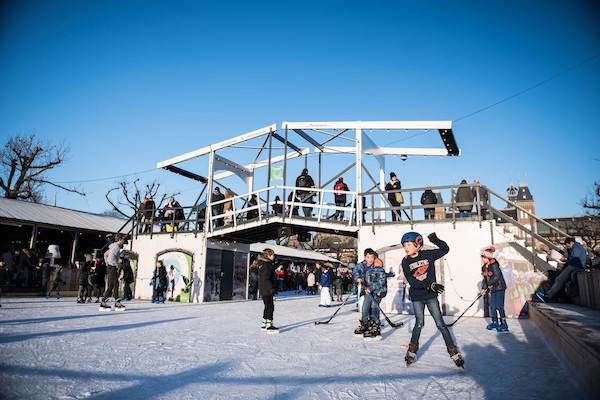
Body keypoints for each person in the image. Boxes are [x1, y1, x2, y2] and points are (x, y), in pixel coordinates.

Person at [401, 231, 464, 367]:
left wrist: (436, 240)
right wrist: (429, 285)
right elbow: (412, 281)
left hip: (430, 296)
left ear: (418, 245)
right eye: (404, 245)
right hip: (417, 296)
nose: (406, 247)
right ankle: (412, 351)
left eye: (409, 244)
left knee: (440, 324)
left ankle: (453, 352)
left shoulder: (428, 255)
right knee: (419, 323)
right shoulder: (405, 262)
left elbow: (445, 249)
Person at [536, 238, 588, 302]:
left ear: (571, 243)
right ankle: (552, 296)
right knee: (561, 280)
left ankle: (548, 296)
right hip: (577, 266)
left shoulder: (576, 247)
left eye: (567, 245)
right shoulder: (579, 247)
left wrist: (565, 259)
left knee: (559, 279)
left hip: (574, 266)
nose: (566, 247)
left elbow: (574, 258)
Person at [353, 248, 388, 339]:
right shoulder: (362, 265)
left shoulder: (377, 266)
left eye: (372, 257)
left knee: (374, 307)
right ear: (365, 257)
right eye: (368, 257)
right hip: (368, 291)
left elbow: (381, 281)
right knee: (365, 307)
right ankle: (365, 324)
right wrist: (358, 278)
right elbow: (356, 271)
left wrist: (371, 287)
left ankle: (375, 326)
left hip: (377, 291)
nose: (370, 259)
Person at [480, 246, 508, 332]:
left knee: (499, 307)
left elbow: (496, 276)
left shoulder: (494, 264)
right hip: (493, 289)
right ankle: (495, 322)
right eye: (482, 257)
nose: (483, 259)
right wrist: (483, 288)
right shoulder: (484, 267)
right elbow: (485, 279)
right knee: (492, 307)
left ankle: (504, 324)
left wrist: (488, 284)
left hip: (499, 288)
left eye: (484, 257)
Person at [100, 234, 125, 310]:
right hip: (112, 267)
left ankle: (104, 302)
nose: (123, 241)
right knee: (115, 284)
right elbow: (111, 258)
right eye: (123, 240)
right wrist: (116, 264)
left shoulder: (113, 246)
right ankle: (116, 302)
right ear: (120, 240)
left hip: (110, 267)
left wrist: (107, 264)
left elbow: (105, 254)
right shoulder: (116, 247)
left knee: (111, 286)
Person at [257, 248, 279, 333]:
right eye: (273, 255)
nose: (274, 256)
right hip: (267, 289)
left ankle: (264, 323)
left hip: (264, 288)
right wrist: (271, 289)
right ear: (268, 255)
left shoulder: (264, 264)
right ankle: (269, 324)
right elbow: (265, 278)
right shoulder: (267, 265)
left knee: (267, 306)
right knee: (270, 306)